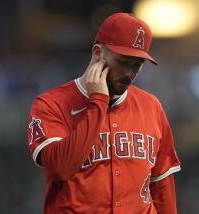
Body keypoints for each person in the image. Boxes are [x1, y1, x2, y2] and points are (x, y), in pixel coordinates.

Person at [27, 13, 181, 214]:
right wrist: (98, 102)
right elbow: (60, 168)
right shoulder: (51, 104)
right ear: (98, 53)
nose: (129, 74)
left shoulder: (151, 106)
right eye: (124, 62)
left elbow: (161, 184)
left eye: (137, 65)